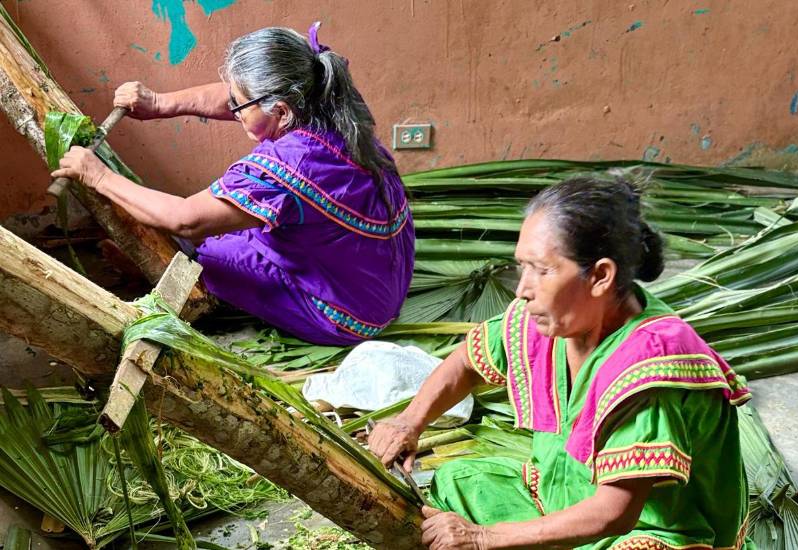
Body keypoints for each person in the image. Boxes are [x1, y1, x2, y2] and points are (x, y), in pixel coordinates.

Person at [368, 178, 754, 549]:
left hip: (651, 530)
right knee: (459, 481)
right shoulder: (549, 319)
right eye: (522, 266)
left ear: (600, 276)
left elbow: (616, 512)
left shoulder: (651, 365)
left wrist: (484, 538)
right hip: (567, 495)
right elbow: (467, 361)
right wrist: (410, 421)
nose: (523, 289)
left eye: (542, 270)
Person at [50, 23, 415, 346]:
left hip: (348, 312)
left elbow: (185, 220)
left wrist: (98, 176)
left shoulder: (289, 165)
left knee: (208, 255)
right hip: (380, 278)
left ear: (280, 111)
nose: (232, 109)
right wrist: (158, 103)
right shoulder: (325, 98)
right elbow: (246, 99)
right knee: (235, 221)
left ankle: (158, 275)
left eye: (239, 104)